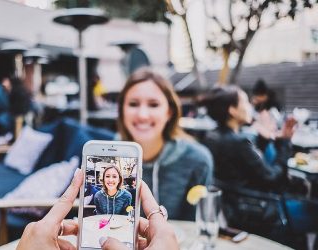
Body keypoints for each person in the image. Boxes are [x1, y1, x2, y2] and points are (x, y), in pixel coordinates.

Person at [117, 67, 213, 220]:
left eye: (153, 104)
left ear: (169, 112)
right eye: (133, 104)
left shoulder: (197, 160)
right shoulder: (106, 156)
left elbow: (195, 228)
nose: (142, 115)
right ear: (122, 110)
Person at [17, 169, 179, 250]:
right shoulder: (99, 196)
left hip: (122, 231)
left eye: (114, 176)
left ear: (119, 179)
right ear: (103, 179)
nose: (111, 179)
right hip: (99, 229)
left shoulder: (127, 196)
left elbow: (127, 215)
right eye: (107, 176)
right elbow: (97, 213)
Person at [201, 86, 295, 191]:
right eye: (245, 102)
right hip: (250, 203)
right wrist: (285, 142)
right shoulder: (239, 142)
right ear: (232, 110)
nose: (251, 106)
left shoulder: (212, 135)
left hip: (227, 200)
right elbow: (270, 178)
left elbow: (247, 167)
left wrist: (265, 140)